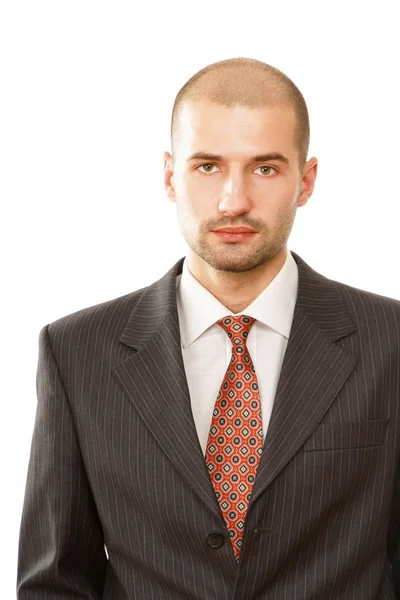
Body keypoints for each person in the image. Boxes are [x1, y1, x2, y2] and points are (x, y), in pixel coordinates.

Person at [16, 57, 400, 599]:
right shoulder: (77, 352)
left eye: (265, 168)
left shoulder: (391, 342)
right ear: (170, 175)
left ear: (306, 180)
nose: (233, 201)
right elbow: (55, 582)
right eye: (208, 167)